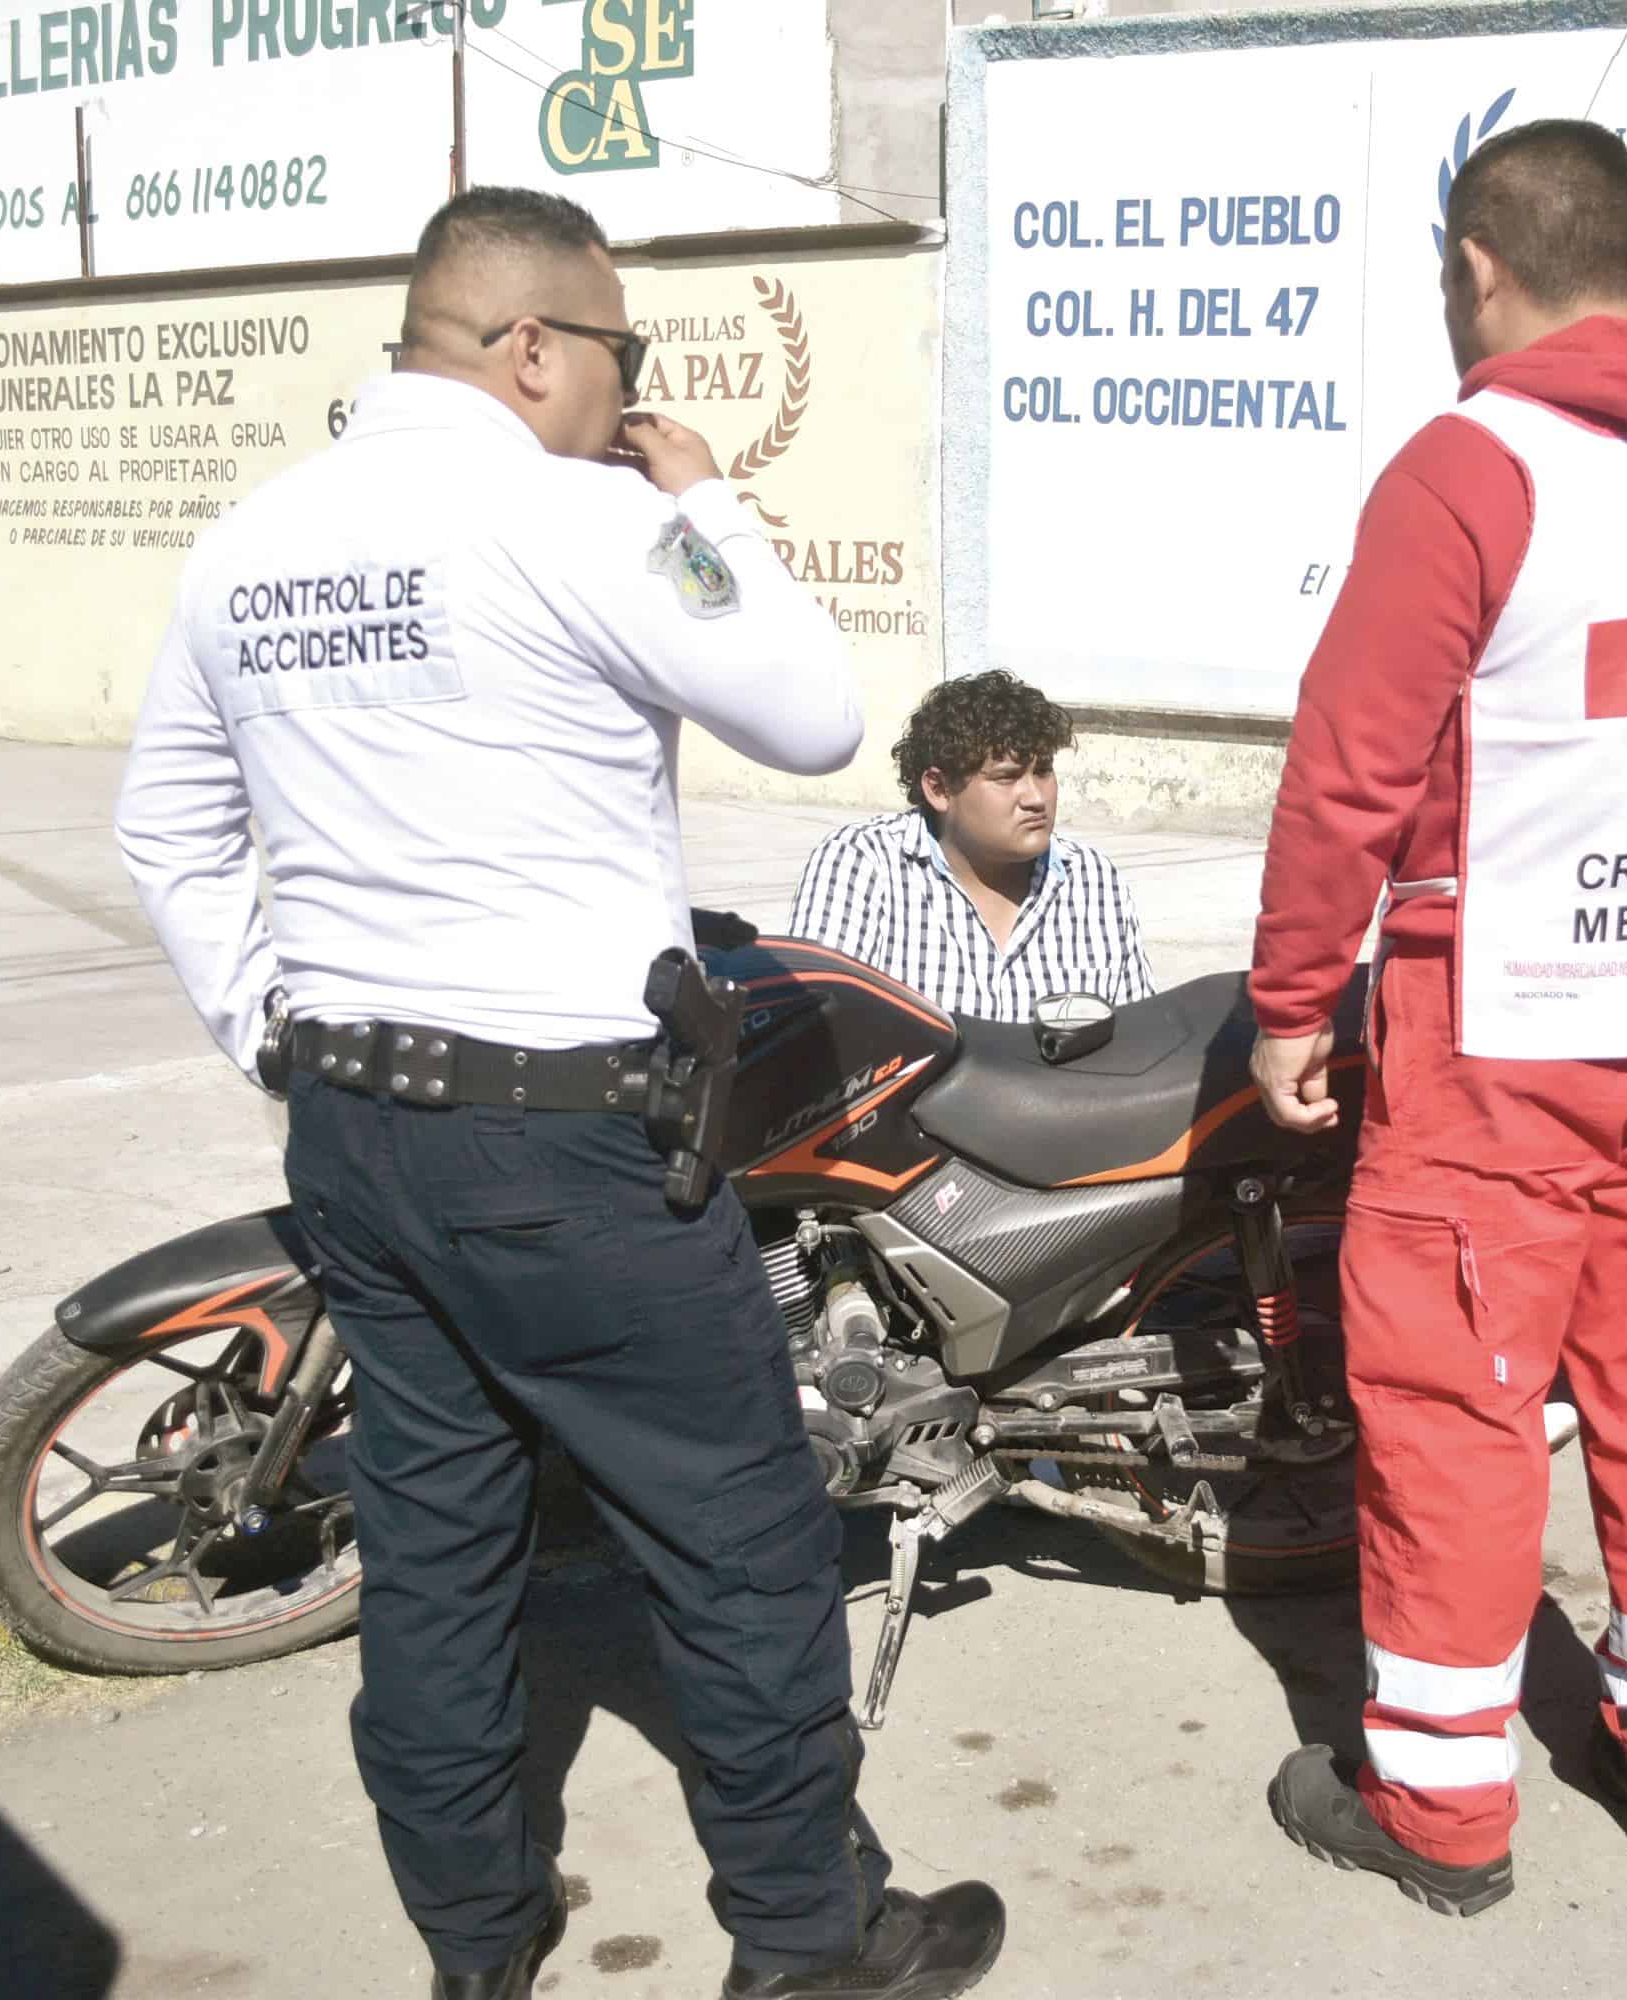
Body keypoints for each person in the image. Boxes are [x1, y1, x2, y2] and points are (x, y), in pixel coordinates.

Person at [114, 186, 1005, 2000]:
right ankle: (808, 1950)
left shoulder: (253, 541)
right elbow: (812, 708)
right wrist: (703, 499)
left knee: (438, 1565)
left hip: (356, 1133)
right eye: (624, 352)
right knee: (741, 1552)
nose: (632, 386)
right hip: (569, 1146)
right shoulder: (573, 517)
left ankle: (476, 1950)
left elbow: (168, 826)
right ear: (532, 345)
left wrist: (270, 1028)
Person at [1247, 119, 1627, 1908]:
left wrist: (1291, 999)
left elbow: (1349, 769)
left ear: (1479, 269)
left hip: (1496, 1028)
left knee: (1454, 1407)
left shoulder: (1470, 464)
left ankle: (1437, 1807)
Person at [786, 670, 1155, 1021]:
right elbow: (815, 1032)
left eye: (1043, 771)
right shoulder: (863, 864)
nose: (1035, 798)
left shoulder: (1093, 881)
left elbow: (1138, 1045)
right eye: (1007, 778)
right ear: (939, 789)